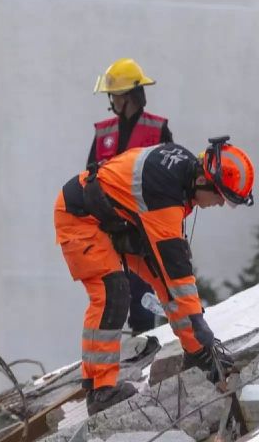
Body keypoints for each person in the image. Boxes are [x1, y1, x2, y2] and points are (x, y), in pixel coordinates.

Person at [54, 136, 254, 414]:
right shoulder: (166, 195)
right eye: (221, 197)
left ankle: (196, 355)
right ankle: (100, 391)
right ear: (203, 181)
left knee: (164, 281)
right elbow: (179, 276)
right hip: (80, 217)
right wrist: (199, 324)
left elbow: (171, 280)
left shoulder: (182, 175)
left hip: (118, 219)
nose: (220, 205)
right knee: (112, 293)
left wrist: (201, 345)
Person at [88, 58, 173, 344]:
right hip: (110, 224)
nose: (111, 101)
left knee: (143, 287)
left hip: (143, 223)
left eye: (114, 95)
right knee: (111, 289)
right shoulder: (103, 132)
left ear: (129, 96)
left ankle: (144, 339)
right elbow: (90, 176)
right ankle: (112, 347)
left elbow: (171, 175)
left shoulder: (158, 129)